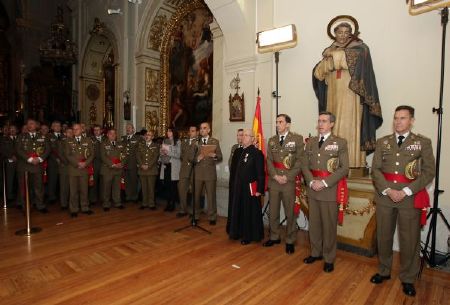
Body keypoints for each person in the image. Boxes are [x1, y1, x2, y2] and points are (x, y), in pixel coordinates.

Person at [370, 105, 435, 297]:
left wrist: (405, 191)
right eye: (396, 118)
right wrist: (389, 190)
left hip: (409, 198)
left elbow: (428, 172)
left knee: (409, 240)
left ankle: (408, 278)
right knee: (383, 237)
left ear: (412, 121)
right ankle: (383, 271)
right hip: (385, 197)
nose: (398, 122)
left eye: (403, 118)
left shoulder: (422, 142)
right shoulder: (383, 142)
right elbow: (375, 170)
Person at [313, 17, 382, 169]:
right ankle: (331, 162)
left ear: (351, 34)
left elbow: (352, 62)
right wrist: (330, 60)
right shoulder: (330, 50)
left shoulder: (360, 48)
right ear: (335, 34)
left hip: (351, 95)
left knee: (349, 126)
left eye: (346, 32)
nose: (343, 35)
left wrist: (334, 58)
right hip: (332, 95)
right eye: (340, 32)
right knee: (332, 124)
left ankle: (352, 162)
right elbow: (319, 73)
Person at [301, 112, 349, 273]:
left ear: (332, 124)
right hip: (313, 189)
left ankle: (329, 258)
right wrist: (311, 181)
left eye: (324, 121)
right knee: (314, 224)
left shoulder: (340, 143)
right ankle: (315, 252)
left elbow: (344, 168)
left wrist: (325, 182)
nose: (320, 124)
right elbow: (304, 165)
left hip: (329, 190)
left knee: (329, 226)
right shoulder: (311, 142)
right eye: (319, 121)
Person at [263, 114, 303, 254]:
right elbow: (269, 160)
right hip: (274, 181)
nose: (277, 124)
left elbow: (299, 161)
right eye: (276, 122)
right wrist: (274, 175)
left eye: (280, 122)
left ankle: (290, 240)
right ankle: (274, 236)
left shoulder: (297, 139)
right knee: (273, 211)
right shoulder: (272, 140)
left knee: (290, 213)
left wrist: (288, 176)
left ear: (288, 124)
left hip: (288, 182)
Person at [228, 129, 265, 244]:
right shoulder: (238, 151)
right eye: (242, 135)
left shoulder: (256, 153)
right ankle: (236, 232)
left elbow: (260, 173)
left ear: (253, 138)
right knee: (238, 210)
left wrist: (259, 189)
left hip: (250, 188)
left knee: (249, 211)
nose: (243, 137)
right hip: (238, 187)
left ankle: (248, 236)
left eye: (246, 135)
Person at [15, 118, 51, 212]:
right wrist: (30, 159)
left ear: (36, 126)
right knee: (24, 188)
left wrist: (39, 159)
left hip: (37, 166)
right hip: (24, 166)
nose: (30, 125)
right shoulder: (21, 136)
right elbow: (18, 150)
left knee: (39, 187)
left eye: (32, 123)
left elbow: (47, 149)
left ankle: (40, 205)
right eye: (28, 124)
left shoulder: (43, 136)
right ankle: (25, 206)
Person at [194, 122, 223, 225]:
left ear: (209, 130)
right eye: (201, 128)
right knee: (196, 195)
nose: (202, 130)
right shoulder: (196, 142)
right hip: (198, 173)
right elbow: (189, 157)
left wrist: (214, 155)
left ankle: (212, 217)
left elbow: (220, 157)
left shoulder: (214, 141)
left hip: (210, 173)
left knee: (211, 196)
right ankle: (196, 215)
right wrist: (197, 158)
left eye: (204, 128)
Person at [64, 124, 95, 217]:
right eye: (73, 129)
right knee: (73, 191)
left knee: (84, 190)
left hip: (84, 169)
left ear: (82, 130)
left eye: (77, 129)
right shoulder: (68, 141)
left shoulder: (88, 140)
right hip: (73, 169)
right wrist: (77, 163)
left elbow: (92, 154)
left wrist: (85, 163)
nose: (75, 131)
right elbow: (67, 155)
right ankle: (74, 209)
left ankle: (85, 207)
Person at [100, 129, 127, 211]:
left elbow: (125, 155)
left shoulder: (120, 144)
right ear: (107, 135)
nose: (113, 135)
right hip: (108, 169)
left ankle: (117, 202)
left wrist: (122, 163)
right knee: (106, 188)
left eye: (114, 134)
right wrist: (112, 164)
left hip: (118, 169)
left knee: (117, 187)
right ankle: (106, 204)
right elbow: (103, 156)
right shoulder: (103, 144)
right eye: (111, 133)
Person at [177, 125, 199, 218]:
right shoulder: (184, 141)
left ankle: (193, 211)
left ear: (197, 132)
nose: (191, 132)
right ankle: (183, 209)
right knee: (181, 189)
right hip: (184, 169)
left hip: (195, 170)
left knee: (195, 191)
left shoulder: (199, 142)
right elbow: (181, 155)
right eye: (190, 131)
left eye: (193, 131)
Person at [136, 130, 160, 210]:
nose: (147, 136)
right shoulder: (140, 145)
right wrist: (141, 164)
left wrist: (148, 165)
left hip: (151, 170)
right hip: (142, 169)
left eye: (149, 135)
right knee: (144, 188)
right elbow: (138, 156)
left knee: (151, 188)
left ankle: (151, 204)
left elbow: (155, 157)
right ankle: (144, 203)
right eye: (146, 135)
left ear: (152, 137)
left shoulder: (156, 146)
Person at [226, 128, 244, 233]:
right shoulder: (234, 147)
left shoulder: (247, 149)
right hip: (233, 180)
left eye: (241, 135)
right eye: (238, 135)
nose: (239, 137)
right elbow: (230, 162)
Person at [159, 128, 181, 212]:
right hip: (166, 166)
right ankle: (168, 204)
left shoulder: (177, 141)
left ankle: (173, 204)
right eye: (167, 131)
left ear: (174, 132)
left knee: (173, 187)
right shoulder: (165, 140)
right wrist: (161, 152)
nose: (168, 132)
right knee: (167, 186)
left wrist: (168, 152)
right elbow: (161, 154)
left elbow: (179, 155)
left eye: (170, 131)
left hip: (173, 167)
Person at [121, 123, 141, 203]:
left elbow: (140, 151)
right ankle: (128, 196)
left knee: (134, 181)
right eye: (126, 128)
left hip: (133, 163)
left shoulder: (138, 138)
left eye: (129, 128)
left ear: (133, 129)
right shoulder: (123, 138)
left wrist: (138, 163)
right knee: (127, 181)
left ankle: (135, 197)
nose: (128, 129)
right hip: (125, 163)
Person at [47, 121, 63, 204]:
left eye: (58, 126)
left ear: (61, 127)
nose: (57, 127)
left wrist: (63, 159)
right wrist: (56, 159)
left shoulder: (64, 136)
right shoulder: (49, 136)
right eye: (55, 126)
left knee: (62, 181)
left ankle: (62, 197)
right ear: (52, 127)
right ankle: (51, 197)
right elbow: (48, 150)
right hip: (52, 162)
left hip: (63, 162)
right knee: (52, 180)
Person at [89, 124, 105, 205]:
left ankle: (103, 198)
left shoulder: (105, 139)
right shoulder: (90, 139)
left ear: (101, 130)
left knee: (103, 182)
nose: (96, 132)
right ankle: (93, 199)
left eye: (98, 130)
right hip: (94, 163)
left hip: (104, 164)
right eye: (95, 130)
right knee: (93, 182)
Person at [2, 125, 18, 205]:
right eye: (10, 129)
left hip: (20, 162)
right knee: (9, 180)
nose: (12, 130)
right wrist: (10, 156)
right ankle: (9, 196)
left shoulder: (20, 138)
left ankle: (20, 196)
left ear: (17, 130)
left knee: (20, 180)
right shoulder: (4, 139)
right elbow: (2, 149)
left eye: (14, 129)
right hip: (9, 162)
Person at [58, 126, 73, 210]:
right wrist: (69, 162)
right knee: (64, 187)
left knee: (73, 187)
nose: (70, 134)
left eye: (72, 132)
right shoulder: (61, 142)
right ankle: (63, 204)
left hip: (74, 168)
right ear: (64, 133)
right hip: (64, 167)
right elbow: (60, 154)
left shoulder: (76, 141)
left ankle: (72, 203)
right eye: (68, 132)